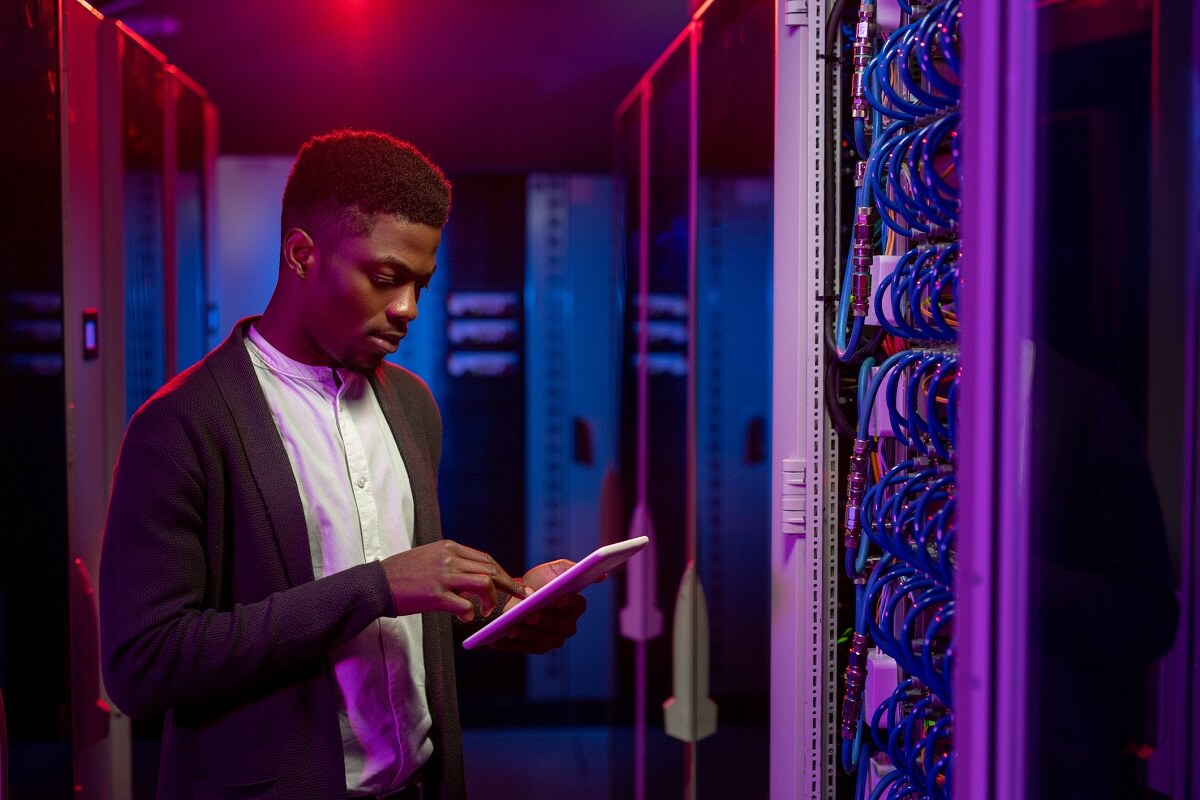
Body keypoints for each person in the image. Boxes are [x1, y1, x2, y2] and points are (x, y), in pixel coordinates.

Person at [99, 129, 587, 800]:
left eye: (421, 284)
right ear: (302, 254)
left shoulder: (412, 404)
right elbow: (143, 667)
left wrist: (502, 610)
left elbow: (405, 604)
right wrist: (377, 585)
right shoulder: (180, 426)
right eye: (386, 278)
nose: (408, 309)